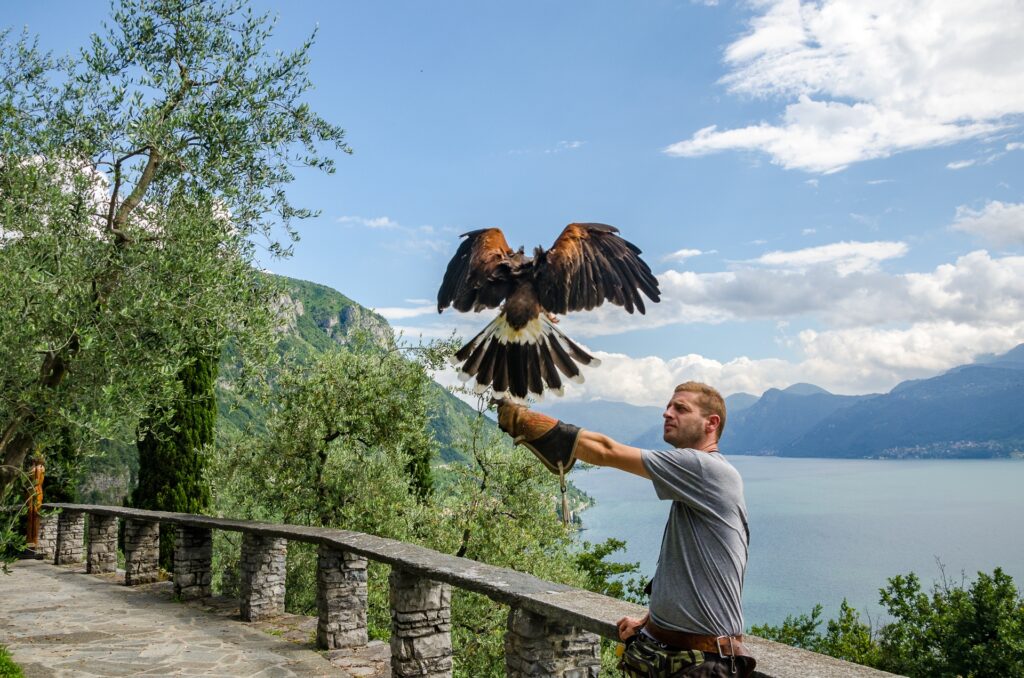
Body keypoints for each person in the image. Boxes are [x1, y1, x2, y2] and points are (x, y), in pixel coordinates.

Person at [497, 382, 755, 677]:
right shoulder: (695, 480)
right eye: (668, 406)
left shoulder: (706, 469)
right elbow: (692, 571)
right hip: (671, 654)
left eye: (680, 408)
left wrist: (528, 421)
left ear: (712, 423)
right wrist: (649, 622)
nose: (667, 413)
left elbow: (607, 451)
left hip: (702, 663)